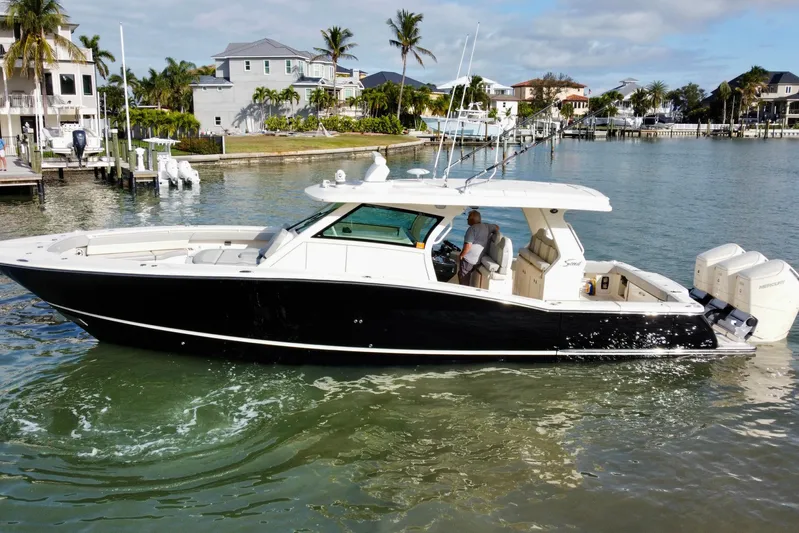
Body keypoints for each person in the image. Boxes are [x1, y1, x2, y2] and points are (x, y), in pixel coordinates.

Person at [458, 210, 499, 285]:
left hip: (469, 259)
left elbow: (468, 246)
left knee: (463, 278)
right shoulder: (487, 226)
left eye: (468, 218)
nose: (467, 220)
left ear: (471, 219)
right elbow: (497, 227)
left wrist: (462, 255)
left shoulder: (472, 229)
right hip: (479, 260)